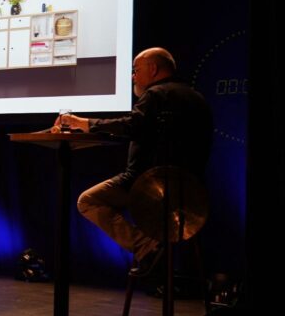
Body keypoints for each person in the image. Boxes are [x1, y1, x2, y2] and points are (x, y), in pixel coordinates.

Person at [55, 47, 212, 273]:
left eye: (136, 70)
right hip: (190, 191)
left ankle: (146, 247)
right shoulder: (197, 98)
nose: (132, 77)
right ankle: (155, 253)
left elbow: (132, 126)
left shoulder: (156, 94)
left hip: (149, 185)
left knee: (88, 200)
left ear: (153, 69)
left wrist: (84, 123)